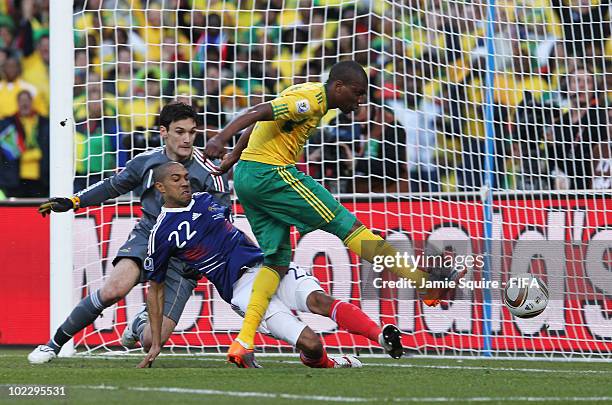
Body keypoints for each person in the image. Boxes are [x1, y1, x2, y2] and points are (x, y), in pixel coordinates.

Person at [204, 60, 464, 367]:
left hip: (248, 177)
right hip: (271, 173)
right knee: (348, 226)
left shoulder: (306, 94)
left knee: (276, 262)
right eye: (356, 93)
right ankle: (422, 282)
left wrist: (234, 155)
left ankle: (244, 341)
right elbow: (258, 111)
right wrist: (220, 139)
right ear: (337, 87)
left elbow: (267, 120)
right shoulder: (312, 101)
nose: (359, 100)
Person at [136, 162, 403, 369]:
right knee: (311, 344)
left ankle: (380, 336)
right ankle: (331, 362)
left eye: (185, 177)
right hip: (242, 290)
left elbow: (234, 232)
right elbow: (155, 289)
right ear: (160, 188)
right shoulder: (162, 232)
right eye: (176, 179)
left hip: (268, 267)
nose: (185, 183)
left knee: (319, 300)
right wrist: (156, 344)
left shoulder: (206, 200)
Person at [27, 102, 229, 364]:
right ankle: (53, 344)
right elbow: (112, 186)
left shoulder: (210, 171)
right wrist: (74, 201)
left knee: (149, 340)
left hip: (184, 257)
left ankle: (137, 325)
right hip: (149, 237)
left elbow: (223, 219)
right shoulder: (146, 162)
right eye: (180, 132)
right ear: (163, 132)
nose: (187, 139)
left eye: (192, 133)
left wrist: (202, 257)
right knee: (113, 289)